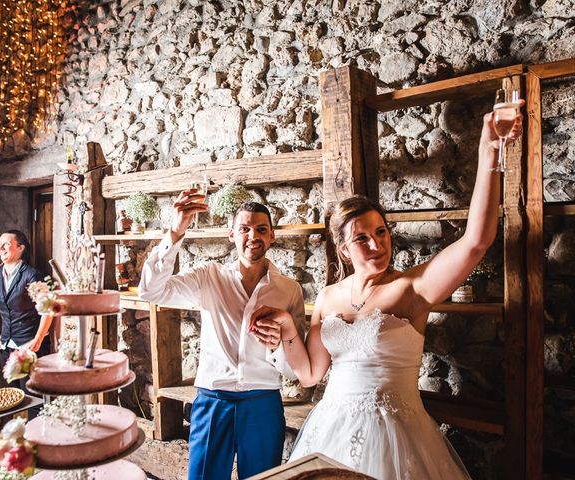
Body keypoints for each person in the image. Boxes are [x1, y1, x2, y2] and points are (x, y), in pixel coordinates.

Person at [249, 105, 524, 479]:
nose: (377, 244)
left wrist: (489, 150)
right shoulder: (329, 297)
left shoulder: (412, 288)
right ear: (344, 249)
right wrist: (284, 326)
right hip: (330, 430)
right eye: (362, 238)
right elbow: (311, 374)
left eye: (381, 233)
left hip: (397, 435)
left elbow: (477, 241)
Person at [138, 197, 305, 480]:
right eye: (244, 229)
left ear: (272, 235)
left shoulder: (290, 290)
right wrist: (175, 232)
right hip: (212, 401)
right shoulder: (208, 277)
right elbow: (151, 292)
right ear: (231, 235)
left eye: (262, 229)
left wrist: (278, 343)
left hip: (264, 403)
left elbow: (294, 368)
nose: (253, 236)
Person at [0, 230, 52, 399]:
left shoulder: (32, 275)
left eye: (6, 244)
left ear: (20, 248)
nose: (1, 248)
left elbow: (48, 310)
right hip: (6, 346)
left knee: (33, 398)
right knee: (13, 396)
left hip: (29, 345)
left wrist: (38, 339)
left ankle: (35, 426)